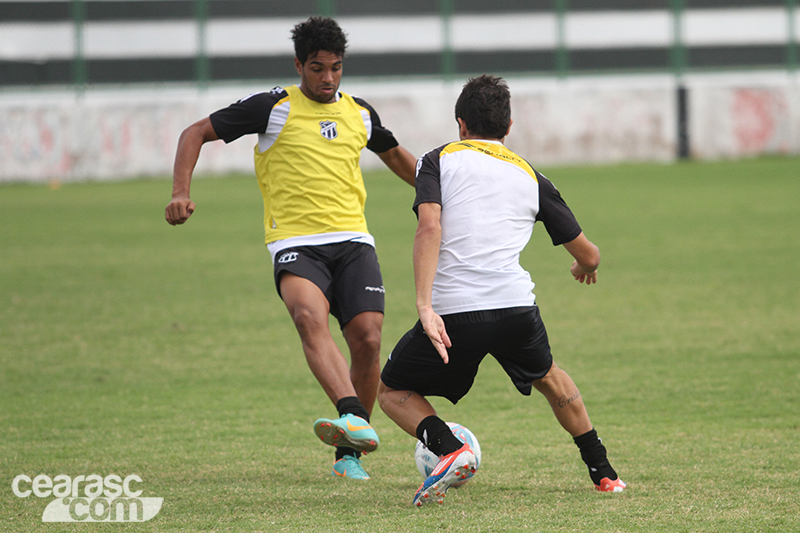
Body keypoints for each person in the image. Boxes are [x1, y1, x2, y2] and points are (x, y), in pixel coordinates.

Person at [165, 17, 417, 480]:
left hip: (354, 242)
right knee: (307, 316)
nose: (328, 79)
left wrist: (440, 194)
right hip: (296, 243)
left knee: (368, 339)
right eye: (318, 68)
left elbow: (398, 157)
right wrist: (180, 191)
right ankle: (352, 416)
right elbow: (194, 132)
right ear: (299, 64)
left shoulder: (360, 113)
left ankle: (349, 454)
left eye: (336, 69)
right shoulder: (271, 107)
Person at [377, 75, 626, 506]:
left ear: (460, 124)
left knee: (391, 391)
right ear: (508, 126)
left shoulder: (436, 160)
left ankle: (447, 447)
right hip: (515, 308)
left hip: (456, 313)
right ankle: (604, 472)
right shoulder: (531, 175)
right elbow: (589, 253)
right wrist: (582, 266)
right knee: (550, 377)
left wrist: (424, 305)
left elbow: (429, 226)